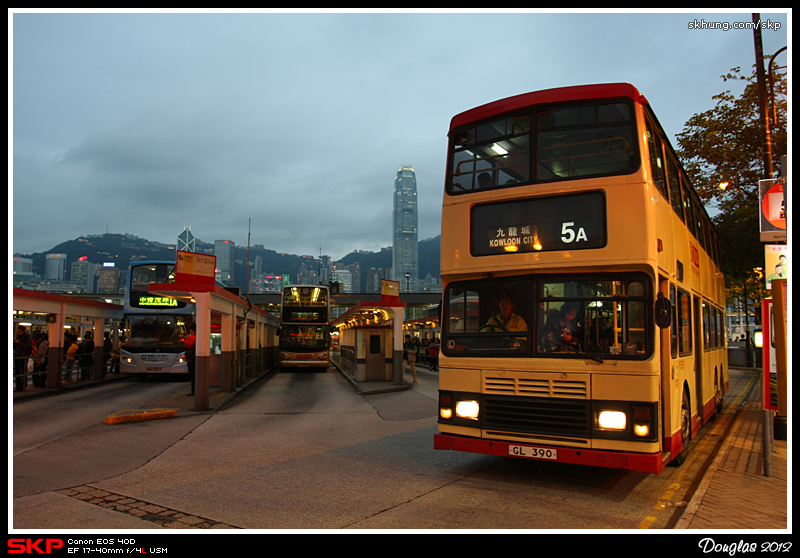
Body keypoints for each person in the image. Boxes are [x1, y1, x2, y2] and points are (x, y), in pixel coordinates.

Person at [14, 325, 32, 391]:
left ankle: (23, 385)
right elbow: (15, 347)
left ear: (24, 331)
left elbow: (27, 347)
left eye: (20, 331)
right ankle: (18, 386)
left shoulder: (27, 338)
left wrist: (19, 343)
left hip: (24, 356)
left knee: (23, 371)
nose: (19, 333)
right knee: (17, 372)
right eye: (18, 331)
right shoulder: (17, 337)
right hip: (17, 356)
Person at [184, 325, 197, 396]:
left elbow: (187, 345)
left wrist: (188, 338)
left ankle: (193, 391)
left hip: (191, 359)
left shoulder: (192, 337)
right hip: (196, 358)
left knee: (192, 376)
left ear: (192, 330)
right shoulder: (199, 336)